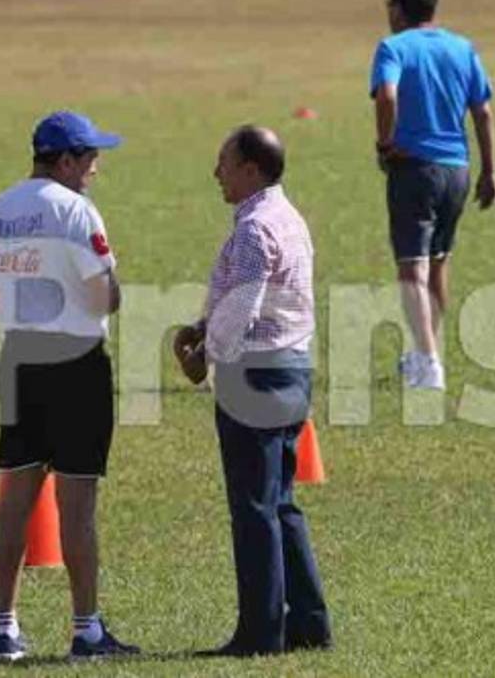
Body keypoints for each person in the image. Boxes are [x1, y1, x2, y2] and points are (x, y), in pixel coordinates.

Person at [0, 110, 139, 662]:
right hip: (76, 364)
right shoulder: (75, 210)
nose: (95, 168)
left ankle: (5, 629)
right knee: (77, 503)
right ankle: (86, 631)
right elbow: (103, 296)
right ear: (64, 160)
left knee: (14, 500)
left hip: (18, 361)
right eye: (89, 158)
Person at [174, 125, 331, 657]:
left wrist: (202, 358)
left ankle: (259, 633)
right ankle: (309, 621)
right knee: (282, 502)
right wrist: (204, 321)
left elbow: (242, 308)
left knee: (253, 509)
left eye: (224, 162)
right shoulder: (288, 218)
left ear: (250, 170)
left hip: (254, 377)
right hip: (292, 367)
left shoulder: (253, 229)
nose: (215, 172)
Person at [370, 0, 495, 390]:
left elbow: (387, 95)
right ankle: (425, 353)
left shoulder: (393, 47)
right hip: (457, 170)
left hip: (415, 169)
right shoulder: (462, 48)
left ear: (397, 8)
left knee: (412, 268)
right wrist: (490, 171)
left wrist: (386, 144)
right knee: (439, 262)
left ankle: (428, 364)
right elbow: (483, 111)